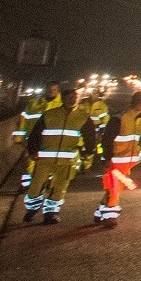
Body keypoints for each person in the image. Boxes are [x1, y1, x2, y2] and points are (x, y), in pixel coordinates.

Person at [23, 83, 94, 224]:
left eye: (76, 97)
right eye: (70, 97)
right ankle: (32, 208)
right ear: (63, 98)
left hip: (67, 160)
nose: (73, 99)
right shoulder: (50, 115)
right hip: (44, 158)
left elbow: (90, 137)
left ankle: (51, 213)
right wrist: (33, 150)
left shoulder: (83, 117)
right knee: (35, 186)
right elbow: (36, 134)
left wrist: (88, 152)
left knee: (59, 188)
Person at [93, 91, 141, 228]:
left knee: (114, 190)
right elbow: (107, 139)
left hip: (126, 163)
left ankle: (101, 212)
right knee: (114, 189)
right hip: (116, 161)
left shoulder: (138, 118)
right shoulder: (120, 118)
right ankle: (110, 217)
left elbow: (135, 141)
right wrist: (107, 157)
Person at [12, 81, 61, 191]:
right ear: (45, 90)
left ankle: (49, 182)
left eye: (54, 90)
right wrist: (19, 138)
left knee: (51, 163)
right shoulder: (33, 104)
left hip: (52, 140)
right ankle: (26, 185)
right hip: (33, 138)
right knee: (30, 163)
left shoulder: (61, 105)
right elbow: (23, 121)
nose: (51, 92)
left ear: (58, 91)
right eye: (49, 89)